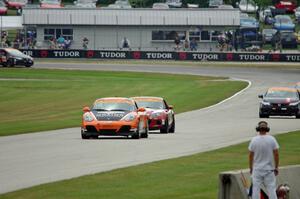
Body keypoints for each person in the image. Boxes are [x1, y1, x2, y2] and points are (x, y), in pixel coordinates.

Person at [248, 121, 279, 199]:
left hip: (257, 169)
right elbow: (276, 154)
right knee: (271, 189)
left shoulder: (254, 140)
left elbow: (250, 155)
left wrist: (251, 168)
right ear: (267, 129)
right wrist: (276, 167)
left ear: (258, 129)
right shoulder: (272, 139)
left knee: (256, 190)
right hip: (269, 170)